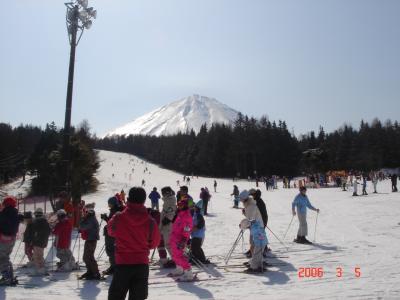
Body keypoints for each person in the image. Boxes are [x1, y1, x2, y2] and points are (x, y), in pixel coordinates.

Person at [108, 187, 160, 300]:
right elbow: (154, 242)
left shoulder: (118, 217)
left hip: (123, 263)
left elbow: (110, 231)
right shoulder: (150, 221)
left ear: (128, 199)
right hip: (141, 264)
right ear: (144, 201)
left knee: (115, 296)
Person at [239, 190, 267, 273]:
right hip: (256, 228)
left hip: (258, 229)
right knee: (256, 246)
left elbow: (250, 220)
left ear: (244, 199)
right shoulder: (249, 205)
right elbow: (251, 218)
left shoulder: (250, 206)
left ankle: (255, 267)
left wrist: (242, 225)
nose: (240, 201)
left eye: (241, 199)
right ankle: (257, 264)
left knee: (258, 246)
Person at [169, 196, 193, 281]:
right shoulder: (180, 215)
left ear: (185, 206)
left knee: (179, 256)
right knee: (175, 255)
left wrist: (183, 240)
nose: (179, 207)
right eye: (178, 205)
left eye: (181, 206)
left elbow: (187, 229)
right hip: (174, 239)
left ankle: (188, 273)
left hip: (180, 240)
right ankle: (179, 269)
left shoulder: (187, 216)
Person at [101, 196, 122, 275]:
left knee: (111, 250)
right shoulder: (115, 210)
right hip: (112, 233)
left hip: (112, 234)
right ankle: (113, 266)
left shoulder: (115, 211)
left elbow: (113, 223)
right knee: (111, 250)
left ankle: (114, 267)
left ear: (113, 204)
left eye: (110, 204)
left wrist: (106, 218)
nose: (109, 205)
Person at [0, 196, 19, 285]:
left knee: (2, 258)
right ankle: (10, 275)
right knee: (6, 256)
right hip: (12, 238)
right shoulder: (16, 214)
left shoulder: (3, 213)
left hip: (3, 238)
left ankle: (6, 276)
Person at [78, 206, 100, 280]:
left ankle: (95, 273)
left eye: (87, 213)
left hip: (92, 240)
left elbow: (83, 227)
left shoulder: (91, 219)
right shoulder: (91, 219)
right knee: (86, 257)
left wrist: (82, 222)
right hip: (90, 239)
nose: (86, 214)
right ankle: (90, 271)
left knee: (89, 257)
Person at [158, 187, 177, 268]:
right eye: (162, 193)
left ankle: (176, 260)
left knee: (168, 244)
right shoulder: (168, 200)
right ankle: (175, 259)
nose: (163, 195)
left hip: (168, 226)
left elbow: (171, 211)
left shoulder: (171, 200)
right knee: (167, 244)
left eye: (164, 193)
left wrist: (167, 219)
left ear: (168, 192)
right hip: (165, 225)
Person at [31, 208, 51, 276]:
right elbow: (49, 231)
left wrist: (33, 239)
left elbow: (33, 232)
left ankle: (40, 269)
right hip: (43, 242)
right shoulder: (45, 222)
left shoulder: (36, 222)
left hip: (37, 241)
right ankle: (41, 268)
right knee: (39, 255)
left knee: (37, 256)